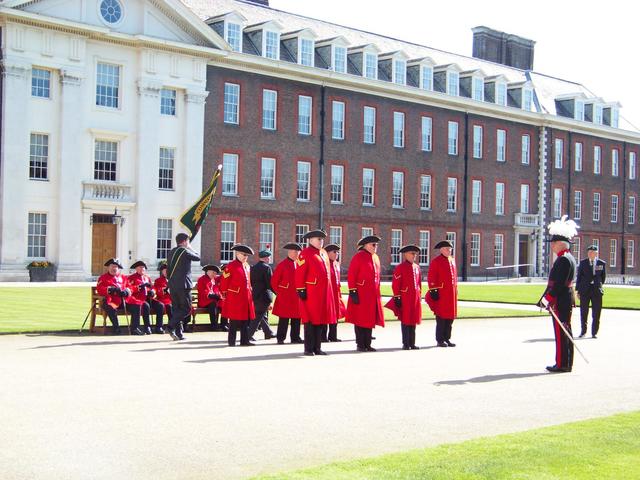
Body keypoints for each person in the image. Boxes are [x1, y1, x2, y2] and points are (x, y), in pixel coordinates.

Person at [539, 215, 578, 373]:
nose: (552, 247)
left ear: (560, 243)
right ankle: (566, 362)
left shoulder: (563, 260)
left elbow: (559, 285)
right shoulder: (568, 258)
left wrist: (547, 299)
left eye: (553, 243)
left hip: (561, 300)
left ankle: (562, 363)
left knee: (561, 333)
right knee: (565, 331)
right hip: (564, 299)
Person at [295, 229, 336, 356]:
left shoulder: (323, 253)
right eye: (319, 239)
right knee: (310, 321)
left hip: (323, 293)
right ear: (311, 240)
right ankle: (308, 349)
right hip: (311, 292)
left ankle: (317, 347)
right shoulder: (305, 254)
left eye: (322, 239)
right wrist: (301, 289)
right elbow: (300, 273)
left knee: (320, 321)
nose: (321, 241)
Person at [346, 235, 385, 352]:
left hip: (372, 295)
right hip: (361, 293)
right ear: (366, 245)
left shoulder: (375, 258)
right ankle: (360, 344)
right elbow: (352, 275)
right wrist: (353, 291)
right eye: (373, 245)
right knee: (360, 319)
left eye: (376, 245)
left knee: (370, 319)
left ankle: (368, 343)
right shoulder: (358, 257)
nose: (375, 247)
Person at [385, 245, 422, 350]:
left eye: (415, 254)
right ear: (406, 254)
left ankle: (412, 342)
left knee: (413, 320)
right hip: (405, 297)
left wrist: (419, 296)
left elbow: (419, 284)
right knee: (406, 320)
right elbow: (396, 284)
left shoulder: (417, 267)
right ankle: (406, 343)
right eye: (412, 253)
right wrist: (397, 297)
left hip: (415, 297)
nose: (414, 256)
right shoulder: (400, 267)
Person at [219, 244, 256, 346]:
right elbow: (224, 281)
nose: (245, 257)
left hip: (246, 296)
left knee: (245, 320)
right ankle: (232, 341)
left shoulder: (247, 266)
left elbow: (248, 281)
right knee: (234, 320)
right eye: (244, 255)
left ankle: (244, 340)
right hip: (234, 296)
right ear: (238, 254)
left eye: (247, 255)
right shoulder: (231, 266)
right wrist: (224, 293)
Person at [167, 233, 200, 341]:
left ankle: (179, 333)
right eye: (188, 241)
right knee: (186, 309)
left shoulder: (171, 251)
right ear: (185, 241)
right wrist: (190, 247)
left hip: (172, 285)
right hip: (183, 285)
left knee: (177, 310)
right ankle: (170, 326)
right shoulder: (185, 251)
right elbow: (198, 257)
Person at [425, 240, 458, 348]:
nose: (449, 251)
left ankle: (447, 338)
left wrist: (456, 289)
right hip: (442, 294)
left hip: (451, 294)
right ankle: (440, 340)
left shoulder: (452, 260)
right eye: (447, 249)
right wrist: (433, 290)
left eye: (450, 249)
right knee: (441, 318)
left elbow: (455, 277)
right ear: (442, 250)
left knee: (450, 318)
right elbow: (431, 277)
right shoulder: (436, 261)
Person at [272, 243, 304, 344]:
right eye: (295, 252)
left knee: (297, 318)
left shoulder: (299, 264)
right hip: (285, 297)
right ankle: (280, 338)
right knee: (284, 318)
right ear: (290, 252)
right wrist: (280, 292)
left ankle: (295, 337)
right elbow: (274, 282)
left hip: (296, 296)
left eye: (298, 252)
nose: (297, 254)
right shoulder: (282, 265)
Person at [576, 245, 606, 338]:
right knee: (584, 312)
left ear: (596, 253)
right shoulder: (583, 263)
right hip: (585, 290)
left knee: (596, 312)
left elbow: (603, 277)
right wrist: (578, 290)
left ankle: (594, 332)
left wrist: (598, 284)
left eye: (592, 252)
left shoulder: (601, 263)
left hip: (596, 290)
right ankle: (583, 331)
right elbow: (579, 277)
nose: (590, 254)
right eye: (589, 252)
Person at [96, 258, 130, 335]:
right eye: (112, 266)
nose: (113, 268)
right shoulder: (103, 278)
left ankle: (135, 327)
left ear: (118, 268)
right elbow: (100, 289)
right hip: (110, 300)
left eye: (115, 266)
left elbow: (130, 286)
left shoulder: (124, 278)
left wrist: (126, 291)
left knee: (136, 306)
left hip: (123, 301)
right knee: (111, 308)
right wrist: (111, 289)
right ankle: (116, 327)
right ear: (108, 267)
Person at [249, 249, 277, 340]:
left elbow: (251, 282)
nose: (269, 259)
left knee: (262, 315)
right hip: (264, 295)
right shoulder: (267, 268)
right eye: (268, 257)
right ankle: (249, 335)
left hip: (255, 294)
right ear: (265, 258)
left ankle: (268, 332)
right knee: (258, 316)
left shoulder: (253, 267)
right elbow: (270, 283)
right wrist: (277, 293)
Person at [125, 260, 154, 335]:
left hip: (144, 299)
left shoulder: (147, 278)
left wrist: (151, 291)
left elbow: (151, 287)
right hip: (134, 300)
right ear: (136, 269)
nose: (142, 269)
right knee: (141, 306)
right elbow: (129, 288)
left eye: (143, 268)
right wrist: (139, 287)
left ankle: (147, 326)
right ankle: (135, 328)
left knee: (151, 306)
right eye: (140, 267)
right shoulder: (131, 278)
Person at [324, 244, 345, 342]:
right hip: (327, 292)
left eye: (337, 252)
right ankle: (322, 336)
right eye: (334, 252)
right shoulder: (324, 262)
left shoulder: (336, 264)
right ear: (327, 253)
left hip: (336, 293)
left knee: (335, 314)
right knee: (326, 314)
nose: (336, 254)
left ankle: (333, 336)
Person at [197, 265, 222, 331]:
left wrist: (218, 296)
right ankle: (214, 326)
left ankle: (223, 324)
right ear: (208, 272)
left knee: (222, 304)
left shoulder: (213, 280)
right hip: (204, 301)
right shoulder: (202, 279)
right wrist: (215, 296)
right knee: (213, 304)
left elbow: (216, 289)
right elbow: (204, 292)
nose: (214, 275)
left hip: (212, 300)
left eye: (215, 273)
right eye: (213, 273)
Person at [151, 263, 171, 334]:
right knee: (164, 306)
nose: (166, 272)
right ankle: (159, 326)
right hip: (163, 300)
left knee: (173, 306)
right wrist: (164, 290)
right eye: (165, 271)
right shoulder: (158, 280)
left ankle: (172, 326)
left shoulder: (173, 279)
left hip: (171, 300)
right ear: (162, 272)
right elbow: (157, 290)